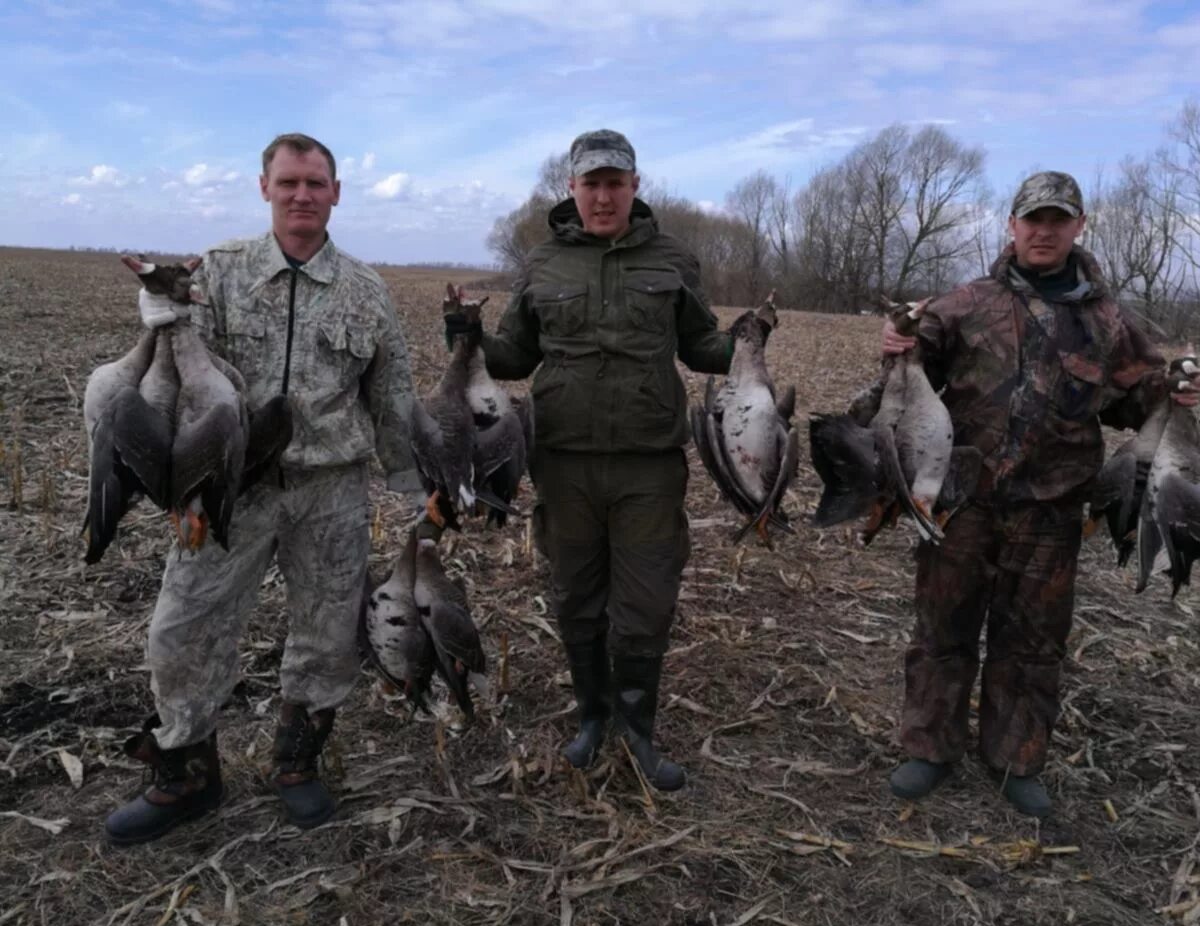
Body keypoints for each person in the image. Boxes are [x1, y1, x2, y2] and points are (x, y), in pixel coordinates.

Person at [105, 133, 421, 844]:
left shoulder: (366, 291)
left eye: (315, 183)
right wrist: (161, 319)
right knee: (181, 628)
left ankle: (297, 763)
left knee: (326, 635)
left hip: (331, 489)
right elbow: (178, 380)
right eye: (289, 183)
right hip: (230, 490)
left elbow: (394, 396)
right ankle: (185, 769)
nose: (302, 195)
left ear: (336, 192)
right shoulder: (217, 272)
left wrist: (422, 491)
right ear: (264, 188)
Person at [882, 171, 1200, 818]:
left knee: (1032, 641)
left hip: (1053, 509)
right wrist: (897, 343)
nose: (1044, 230)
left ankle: (1015, 758)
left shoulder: (1109, 321)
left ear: (1079, 227)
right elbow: (914, 363)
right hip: (961, 502)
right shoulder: (965, 303)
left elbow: (1136, 400)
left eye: (1058, 219)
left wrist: (1175, 392)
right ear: (1011, 225)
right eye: (1033, 219)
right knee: (943, 626)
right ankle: (930, 747)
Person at [446, 130, 733, 791]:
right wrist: (469, 337)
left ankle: (639, 730)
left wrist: (748, 344)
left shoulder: (673, 259)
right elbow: (517, 354)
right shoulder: (543, 264)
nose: (603, 196)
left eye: (615, 183)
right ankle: (592, 719)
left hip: (648, 465)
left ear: (635, 186)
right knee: (575, 597)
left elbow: (699, 346)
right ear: (571, 189)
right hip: (564, 461)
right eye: (591, 183)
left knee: (647, 604)